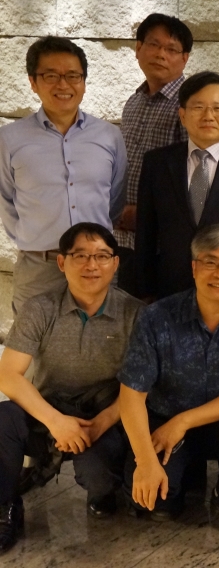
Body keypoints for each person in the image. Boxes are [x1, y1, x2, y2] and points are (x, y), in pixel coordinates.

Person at [118, 225, 219, 537]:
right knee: (154, 504)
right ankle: (183, 473)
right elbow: (132, 395)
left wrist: (184, 421)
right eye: (210, 262)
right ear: (194, 267)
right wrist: (146, 461)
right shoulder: (156, 317)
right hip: (164, 420)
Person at [0, 223, 143, 554]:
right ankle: (5, 505)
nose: (92, 265)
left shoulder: (136, 314)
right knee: (3, 419)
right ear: (62, 262)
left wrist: (101, 423)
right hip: (47, 410)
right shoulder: (40, 308)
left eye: (102, 256)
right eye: (80, 256)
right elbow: (8, 375)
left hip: (101, 416)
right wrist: (55, 421)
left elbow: (142, 385)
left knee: (99, 479)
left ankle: (104, 492)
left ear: (115, 263)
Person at [0, 36, 126, 313]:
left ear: (83, 81)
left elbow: (115, 200)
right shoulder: (9, 138)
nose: (63, 85)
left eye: (72, 76)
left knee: (100, 337)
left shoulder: (109, 136)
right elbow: (6, 200)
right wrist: (31, 239)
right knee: (34, 340)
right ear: (33, 82)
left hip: (95, 267)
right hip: (39, 269)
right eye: (51, 76)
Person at [134, 71, 219, 300]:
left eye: (217, 108)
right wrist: (144, 292)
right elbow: (146, 232)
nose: (208, 116)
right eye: (198, 107)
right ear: (183, 115)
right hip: (168, 290)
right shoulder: (157, 163)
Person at [116, 13, 192, 295]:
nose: (161, 54)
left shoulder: (189, 105)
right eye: (153, 45)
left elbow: (196, 177)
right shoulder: (133, 102)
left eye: (171, 49)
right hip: (122, 239)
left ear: (184, 59)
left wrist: (148, 214)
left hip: (163, 244)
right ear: (138, 49)